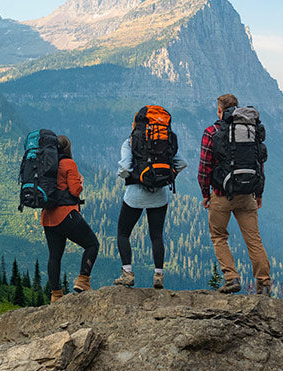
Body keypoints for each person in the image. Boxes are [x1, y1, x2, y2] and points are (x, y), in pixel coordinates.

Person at [199, 94, 270, 295]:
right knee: (253, 239)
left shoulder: (212, 132)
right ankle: (264, 283)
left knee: (219, 236)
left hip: (221, 195)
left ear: (220, 110)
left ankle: (231, 278)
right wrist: (259, 193)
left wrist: (205, 193)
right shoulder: (251, 130)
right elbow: (259, 164)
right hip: (248, 194)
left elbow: (204, 166)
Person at [113, 107, 185, 289]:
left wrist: (129, 175)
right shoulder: (166, 140)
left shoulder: (130, 141)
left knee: (123, 233)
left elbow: (124, 168)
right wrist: (169, 176)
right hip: (159, 195)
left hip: (134, 195)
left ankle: (127, 273)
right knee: (156, 236)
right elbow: (182, 163)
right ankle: (158, 276)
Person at [42, 135, 99, 301]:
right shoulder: (68, 163)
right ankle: (83, 280)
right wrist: (80, 181)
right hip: (66, 214)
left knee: (54, 256)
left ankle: (55, 295)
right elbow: (75, 191)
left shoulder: (45, 164)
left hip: (48, 217)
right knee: (92, 244)